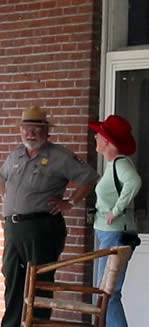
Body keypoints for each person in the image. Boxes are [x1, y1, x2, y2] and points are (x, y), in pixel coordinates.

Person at [0, 105, 99, 327]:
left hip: (42, 227)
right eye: (26, 129)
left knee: (41, 282)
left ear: (47, 132)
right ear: (20, 131)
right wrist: (8, 200)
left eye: (36, 129)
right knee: (12, 279)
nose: (30, 134)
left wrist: (70, 203)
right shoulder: (16, 154)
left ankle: (37, 324)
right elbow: (1, 176)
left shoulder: (59, 156)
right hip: (14, 228)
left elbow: (89, 177)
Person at [89, 114, 141, 327]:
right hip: (110, 232)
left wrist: (117, 210)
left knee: (108, 294)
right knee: (107, 293)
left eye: (98, 135)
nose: (95, 138)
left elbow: (134, 182)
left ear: (107, 141)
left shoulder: (120, 164)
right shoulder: (113, 165)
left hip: (115, 233)